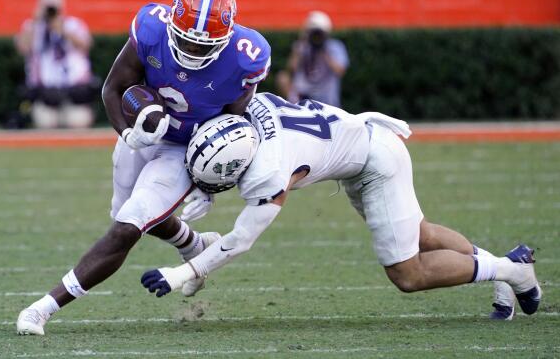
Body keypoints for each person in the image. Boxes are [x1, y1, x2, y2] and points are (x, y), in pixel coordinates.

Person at [16, 0, 271, 335]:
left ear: (226, 38)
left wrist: (209, 179)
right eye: (185, 40)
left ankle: (42, 308)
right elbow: (113, 88)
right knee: (127, 212)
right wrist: (128, 133)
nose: (193, 51)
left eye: (204, 46)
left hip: (185, 148)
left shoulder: (247, 57)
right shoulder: (151, 26)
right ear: (172, 25)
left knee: (127, 227)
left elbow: (234, 125)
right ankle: (193, 243)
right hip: (142, 133)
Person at [141, 93, 541, 321]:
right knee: (422, 234)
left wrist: (182, 273)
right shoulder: (248, 107)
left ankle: (511, 270)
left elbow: (242, 239)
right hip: (362, 147)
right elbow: (222, 146)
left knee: (407, 273)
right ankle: (504, 272)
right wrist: (208, 186)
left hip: (375, 162)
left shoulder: (271, 170)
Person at [15, 0, 96, 129]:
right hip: (45, 94)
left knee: (78, 122)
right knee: (46, 123)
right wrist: (35, 21)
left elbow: (86, 45)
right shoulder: (32, 26)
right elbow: (22, 48)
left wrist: (62, 30)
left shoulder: (73, 24)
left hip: (75, 91)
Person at [277, 11, 348, 108]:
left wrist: (324, 50)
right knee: (282, 77)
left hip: (326, 97)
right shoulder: (302, 45)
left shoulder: (334, 46)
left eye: (319, 33)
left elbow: (340, 71)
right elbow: (292, 68)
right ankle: (295, 105)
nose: (317, 36)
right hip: (303, 94)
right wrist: (301, 42)